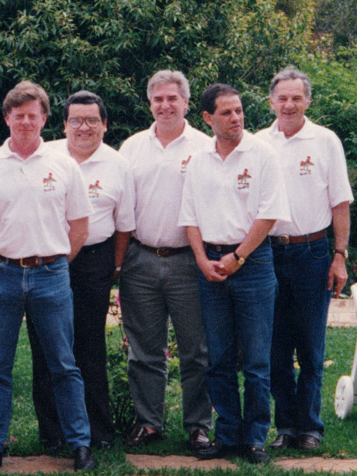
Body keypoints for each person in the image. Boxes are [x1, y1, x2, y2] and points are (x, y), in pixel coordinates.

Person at [0, 80, 97, 472]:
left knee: (63, 363)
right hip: (0, 273)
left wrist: (52, 262)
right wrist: (2, 257)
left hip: (51, 274)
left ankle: (79, 444)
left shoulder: (64, 165)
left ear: (44, 119)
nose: (25, 123)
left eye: (32, 116)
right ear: (7, 119)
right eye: (18, 116)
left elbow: (80, 227)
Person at [179, 83, 290, 464]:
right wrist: (201, 260)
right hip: (209, 265)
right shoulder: (198, 161)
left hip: (253, 265)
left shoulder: (262, 155)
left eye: (239, 110)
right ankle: (227, 435)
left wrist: (237, 258)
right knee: (219, 359)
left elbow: (269, 213)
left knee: (257, 360)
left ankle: (255, 438)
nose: (236, 118)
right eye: (226, 113)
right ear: (208, 118)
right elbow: (190, 217)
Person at [27, 90, 134, 450]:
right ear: (63, 124)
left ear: (105, 125)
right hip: (49, 260)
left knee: (89, 346)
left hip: (94, 262)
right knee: (47, 346)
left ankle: (98, 431)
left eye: (91, 120)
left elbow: (124, 225)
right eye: (76, 120)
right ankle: (52, 433)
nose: (83, 127)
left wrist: (114, 266)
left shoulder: (118, 164)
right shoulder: (47, 156)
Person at [256, 66, 353, 451]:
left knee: (311, 347)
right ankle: (286, 427)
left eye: (297, 97)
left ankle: (310, 427)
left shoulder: (326, 141)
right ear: (271, 101)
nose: (289, 104)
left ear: (308, 101)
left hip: (312, 252)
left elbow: (340, 203)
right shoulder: (258, 143)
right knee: (275, 347)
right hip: (267, 254)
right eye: (282, 97)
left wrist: (340, 255)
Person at [118, 70, 213, 450]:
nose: (165, 105)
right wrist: (120, 261)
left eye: (172, 98)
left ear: (186, 102)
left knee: (197, 349)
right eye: (158, 99)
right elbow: (122, 208)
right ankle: (149, 422)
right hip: (141, 260)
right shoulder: (132, 147)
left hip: (189, 261)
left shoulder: (205, 146)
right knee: (143, 350)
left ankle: (198, 425)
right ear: (150, 103)